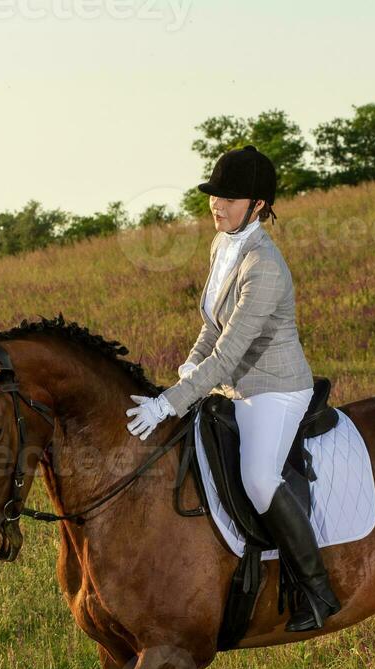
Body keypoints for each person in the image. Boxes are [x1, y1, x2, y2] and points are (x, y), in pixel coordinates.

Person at [124, 145, 342, 632]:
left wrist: (168, 403)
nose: (216, 204)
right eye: (213, 196)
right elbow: (212, 329)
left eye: (228, 197)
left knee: (260, 478)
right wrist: (188, 366)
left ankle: (317, 590)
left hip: (275, 389)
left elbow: (231, 354)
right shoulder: (222, 246)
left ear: (258, 205)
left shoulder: (263, 265)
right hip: (232, 386)